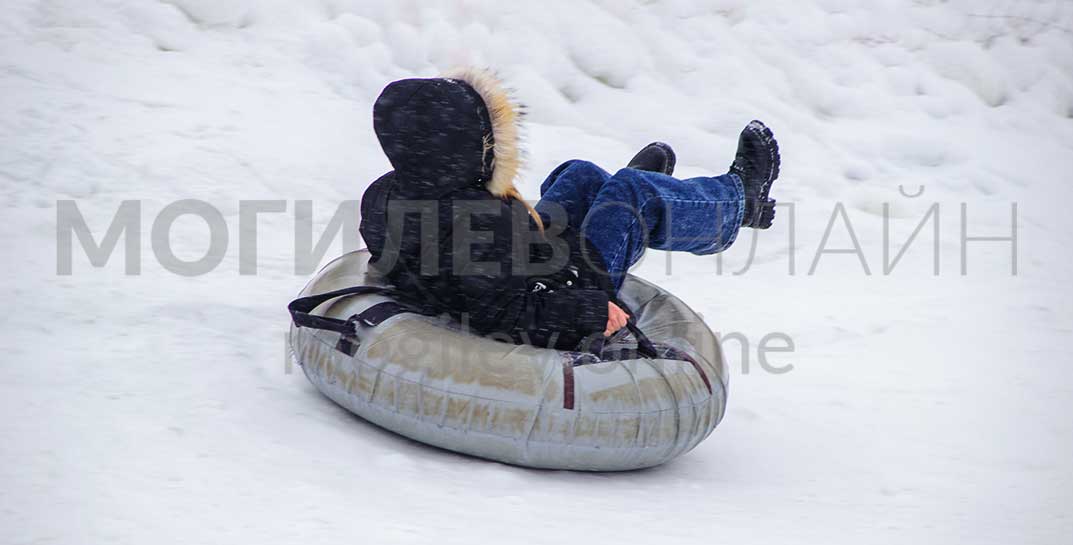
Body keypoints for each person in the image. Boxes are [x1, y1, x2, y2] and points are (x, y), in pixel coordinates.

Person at [359, 68, 780, 352]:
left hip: (530, 260)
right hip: (570, 290)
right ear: (465, 148)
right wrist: (590, 310)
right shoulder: (483, 222)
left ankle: (613, 202)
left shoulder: (386, 193)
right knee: (635, 193)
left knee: (579, 174)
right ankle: (740, 201)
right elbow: (500, 314)